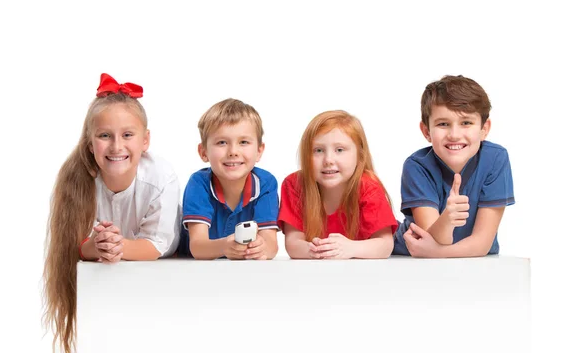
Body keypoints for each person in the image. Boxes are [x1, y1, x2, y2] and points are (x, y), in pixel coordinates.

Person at [43, 74, 181, 353]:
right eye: (105, 136)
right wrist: (97, 246)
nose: (117, 146)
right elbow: (73, 243)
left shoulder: (160, 177)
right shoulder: (76, 180)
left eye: (128, 135)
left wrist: (122, 246)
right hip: (107, 269)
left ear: (145, 141)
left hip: (160, 259)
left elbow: (158, 244)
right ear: (90, 143)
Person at [392, 75, 515, 257]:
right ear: (426, 131)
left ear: (484, 129)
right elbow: (430, 240)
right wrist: (447, 220)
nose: (454, 135)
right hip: (409, 257)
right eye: (443, 124)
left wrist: (436, 252)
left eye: (466, 123)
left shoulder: (495, 158)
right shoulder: (417, 166)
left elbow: (481, 244)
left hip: (471, 260)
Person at [278, 110, 397, 259]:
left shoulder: (368, 186)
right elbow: (293, 244)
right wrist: (313, 250)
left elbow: (385, 245)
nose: (328, 160)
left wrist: (351, 248)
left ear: (360, 155)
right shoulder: (294, 185)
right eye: (318, 150)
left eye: (339, 150)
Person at [179, 98, 279, 260]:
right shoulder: (199, 183)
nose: (233, 151)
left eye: (243, 142)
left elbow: (271, 245)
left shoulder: (265, 183)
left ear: (259, 151)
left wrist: (261, 248)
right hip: (188, 262)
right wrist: (224, 247)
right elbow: (197, 247)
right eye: (222, 142)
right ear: (203, 152)